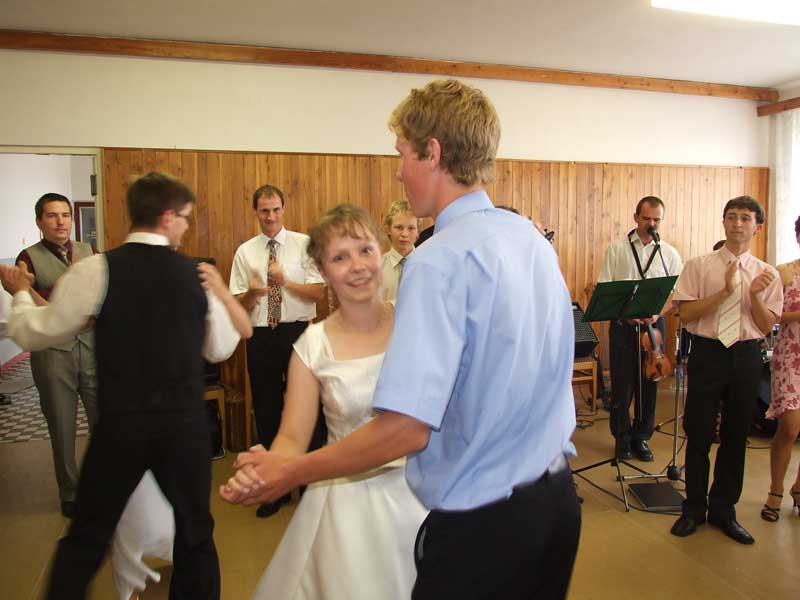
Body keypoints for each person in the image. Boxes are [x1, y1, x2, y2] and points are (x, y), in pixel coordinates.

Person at [223, 79, 581, 600]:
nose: (397, 170)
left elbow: (406, 430)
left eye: (402, 154)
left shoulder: (437, 261)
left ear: (431, 153)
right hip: (556, 502)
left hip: (484, 526)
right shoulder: (530, 239)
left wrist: (292, 471)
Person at [1, 171, 252, 599]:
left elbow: (36, 332)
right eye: (185, 218)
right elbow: (220, 348)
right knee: (195, 534)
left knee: (89, 532)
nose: (186, 227)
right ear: (168, 217)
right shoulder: (197, 274)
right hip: (184, 426)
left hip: (121, 426)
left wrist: (21, 293)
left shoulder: (96, 269)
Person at [247, 204, 427, 599]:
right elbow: (292, 436)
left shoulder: (417, 323)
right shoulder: (312, 346)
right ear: (323, 272)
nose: (357, 266)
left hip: (423, 491)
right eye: (340, 258)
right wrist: (270, 469)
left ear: (380, 253)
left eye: (365, 250)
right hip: (346, 504)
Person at [670, 196, 782, 545]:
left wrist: (756, 297)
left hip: (746, 355)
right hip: (707, 352)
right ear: (723, 222)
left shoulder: (767, 273)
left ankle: (724, 510)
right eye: (731, 217)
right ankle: (693, 509)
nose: (737, 223)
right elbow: (685, 315)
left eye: (745, 218)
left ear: (757, 227)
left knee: (736, 434)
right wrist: (725, 292)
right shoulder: (698, 266)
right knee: (699, 431)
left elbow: (766, 326)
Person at [229, 184, 327, 518]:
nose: (270, 216)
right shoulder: (245, 252)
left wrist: (285, 282)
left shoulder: (304, 245)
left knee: (308, 408)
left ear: (284, 209)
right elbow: (237, 304)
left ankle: (310, 486)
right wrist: (253, 293)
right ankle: (275, 489)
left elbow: (318, 294)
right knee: (267, 410)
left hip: (297, 333)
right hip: (260, 336)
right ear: (255, 212)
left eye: (275, 209)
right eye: (264, 210)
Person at [14, 193, 98, 517]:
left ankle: (103, 483)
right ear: (40, 222)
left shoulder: (88, 251)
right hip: (53, 354)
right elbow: (34, 302)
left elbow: (99, 293)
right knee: (62, 426)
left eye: (65, 215)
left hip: (91, 348)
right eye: (52, 216)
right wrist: (69, 288)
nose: (61, 222)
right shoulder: (28, 258)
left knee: (103, 421)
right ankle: (70, 492)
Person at [597, 196, 683, 462]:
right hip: (623, 325)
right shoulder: (617, 249)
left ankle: (641, 437)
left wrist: (658, 312)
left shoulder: (669, 253)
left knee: (650, 383)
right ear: (636, 218)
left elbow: (677, 293)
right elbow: (605, 287)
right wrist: (624, 314)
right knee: (622, 385)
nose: (652, 224)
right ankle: (622, 438)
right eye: (647, 219)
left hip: (653, 326)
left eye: (657, 220)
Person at [760, 214, 800, 522]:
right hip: (790, 356)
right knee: (790, 427)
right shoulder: (784, 272)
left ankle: (799, 488)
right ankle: (775, 489)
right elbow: (770, 315)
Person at [380, 199, 419, 301]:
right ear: (388, 229)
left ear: (418, 232)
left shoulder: (428, 267)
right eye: (399, 227)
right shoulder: (377, 268)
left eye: (411, 228)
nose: (405, 234)